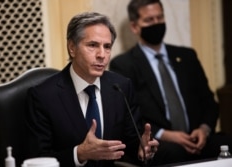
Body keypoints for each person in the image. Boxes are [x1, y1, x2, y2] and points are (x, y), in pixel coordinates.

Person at [25, 12, 159, 167]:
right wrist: (79, 154)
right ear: (72, 48)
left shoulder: (121, 87)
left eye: (107, 47)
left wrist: (142, 149)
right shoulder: (42, 96)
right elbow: (37, 159)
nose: (102, 55)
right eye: (93, 45)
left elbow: (129, 143)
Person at [109, 0, 232, 166]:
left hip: (198, 138)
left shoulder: (187, 56)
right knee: (173, 153)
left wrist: (204, 129)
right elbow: (129, 115)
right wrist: (166, 135)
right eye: (149, 20)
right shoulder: (125, 65)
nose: (156, 24)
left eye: (160, 18)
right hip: (162, 142)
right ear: (134, 27)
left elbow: (209, 102)